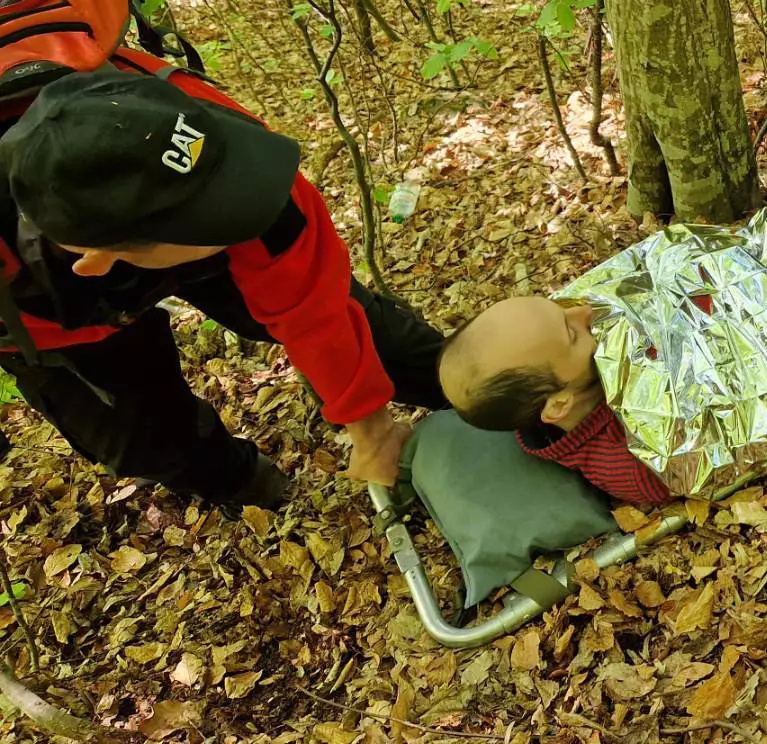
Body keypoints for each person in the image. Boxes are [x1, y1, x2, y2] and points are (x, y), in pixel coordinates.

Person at [0, 66, 444, 507]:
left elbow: (313, 304)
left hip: (146, 228)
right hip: (42, 316)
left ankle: (470, 391)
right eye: (210, 214)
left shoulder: (192, 121)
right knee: (149, 443)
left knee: (372, 334)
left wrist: (371, 427)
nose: (247, 200)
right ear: (99, 260)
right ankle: (241, 484)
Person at [437, 295, 671, 507]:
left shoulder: (554, 352)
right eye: (572, 334)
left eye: (559, 307)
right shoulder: (635, 466)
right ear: (559, 405)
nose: (586, 310)